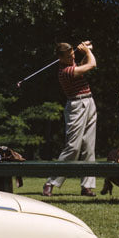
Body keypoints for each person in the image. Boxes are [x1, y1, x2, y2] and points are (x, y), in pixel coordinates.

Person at [42, 41, 97, 197]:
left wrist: (86, 48)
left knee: (88, 146)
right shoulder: (65, 71)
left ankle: (87, 186)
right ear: (60, 58)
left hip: (89, 102)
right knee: (73, 147)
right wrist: (87, 51)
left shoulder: (71, 63)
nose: (73, 56)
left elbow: (84, 62)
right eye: (69, 55)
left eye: (73, 52)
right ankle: (50, 182)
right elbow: (91, 64)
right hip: (76, 106)